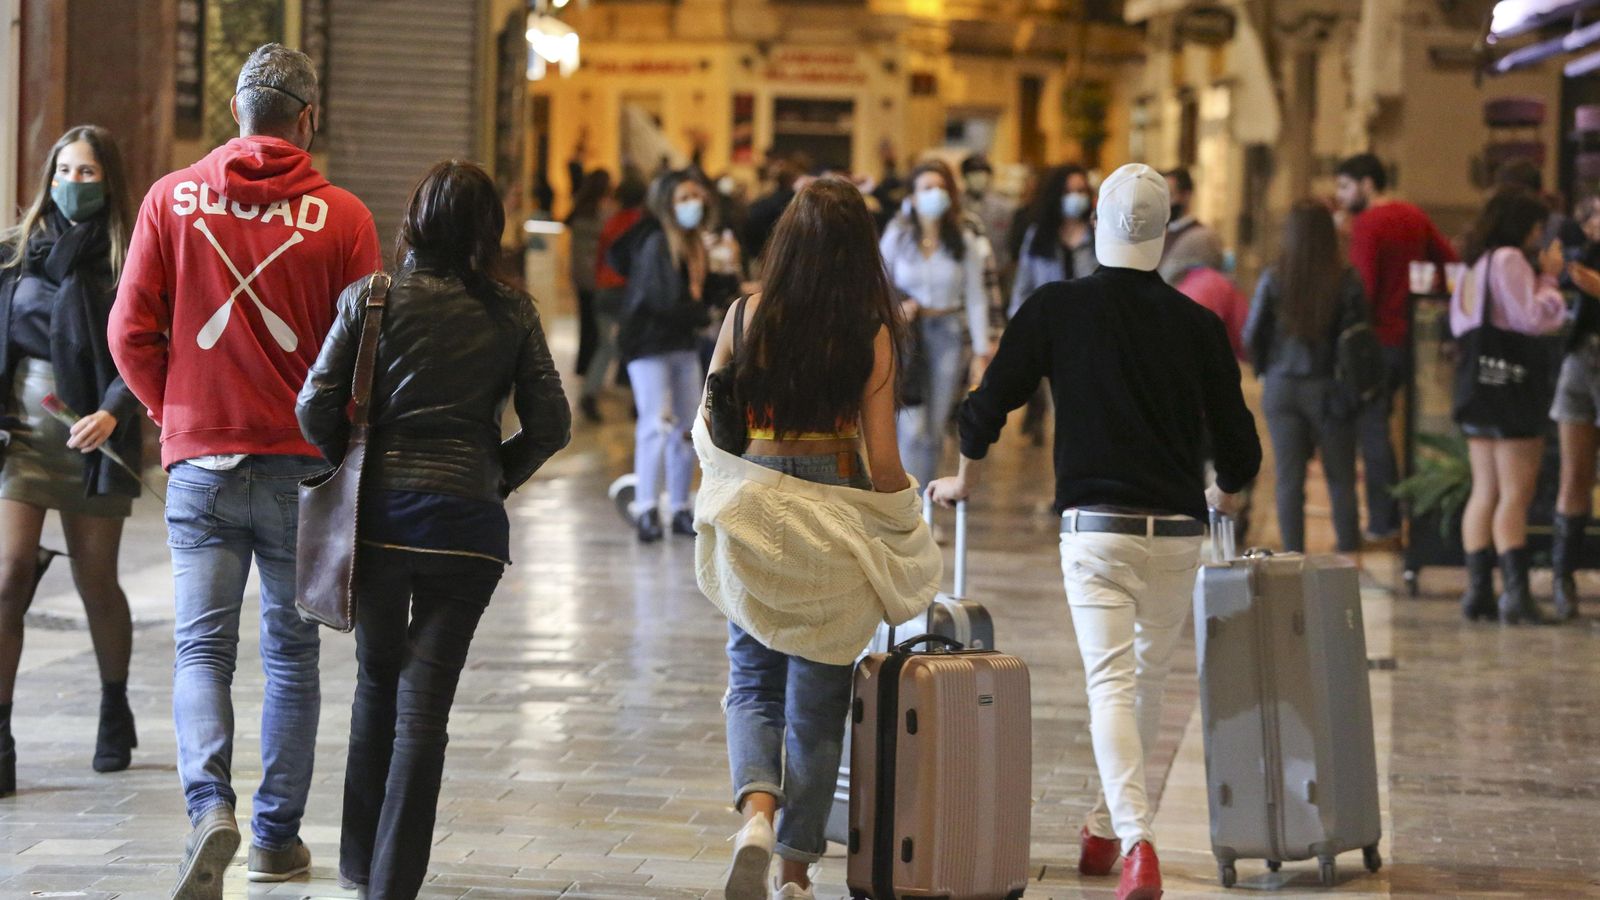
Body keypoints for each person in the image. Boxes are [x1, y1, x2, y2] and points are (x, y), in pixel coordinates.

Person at [928, 163, 1261, 900]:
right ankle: (1106, 828)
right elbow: (1240, 448)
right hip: (1176, 534)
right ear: (1166, 230)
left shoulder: (1056, 308)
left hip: (1093, 531)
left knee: (1111, 683)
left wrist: (965, 482)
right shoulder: (1199, 325)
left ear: (1102, 225)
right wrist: (1224, 493)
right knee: (1144, 680)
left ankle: (1138, 844)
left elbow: (986, 407)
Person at [109, 44, 382, 897]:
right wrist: (337, 432)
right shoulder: (343, 218)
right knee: (292, 658)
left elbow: (129, 334)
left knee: (201, 650)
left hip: (203, 465)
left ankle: (208, 810)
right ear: (306, 119)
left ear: (236, 111)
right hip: (301, 471)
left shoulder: (169, 199)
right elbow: (364, 361)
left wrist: (172, 408)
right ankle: (274, 841)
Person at [297, 160, 570, 900]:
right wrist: (493, 476)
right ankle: (392, 885)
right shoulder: (513, 311)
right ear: (489, 230)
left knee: (376, 680)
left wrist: (352, 464)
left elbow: (312, 406)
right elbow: (553, 424)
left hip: (379, 522)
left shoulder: (370, 299)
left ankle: (358, 862)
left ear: (415, 219)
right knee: (426, 707)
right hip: (468, 532)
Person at [694, 178, 936, 900]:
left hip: (754, 511)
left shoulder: (745, 316)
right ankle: (797, 870)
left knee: (752, 685)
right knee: (818, 701)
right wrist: (907, 522)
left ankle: (757, 819)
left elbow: (709, 427)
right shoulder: (870, 333)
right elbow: (885, 462)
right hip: (833, 517)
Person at [0, 125, 142, 796]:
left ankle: (115, 709)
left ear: (108, 180)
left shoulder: (128, 257)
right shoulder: (16, 252)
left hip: (96, 434)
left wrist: (114, 409)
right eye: (64, 171)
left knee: (97, 583)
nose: (73, 184)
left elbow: (145, 346)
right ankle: (0, 734)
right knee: (8, 574)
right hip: (21, 432)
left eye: (87, 174)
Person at [1451, 189, 1569, 625]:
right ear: (1521, 226)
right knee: (1515, 494)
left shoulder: (1473, 263)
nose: (1540, 238)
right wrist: (1551, 279)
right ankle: (1515, 596)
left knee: (1484, 491)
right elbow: (1532, 318)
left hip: (1477, 388)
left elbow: (1458, 321)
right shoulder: (1509, 260)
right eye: (1537, 229)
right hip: (1513, 390)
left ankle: (1478, 591)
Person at [1335, 152, 1458, 541]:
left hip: (1378, 342)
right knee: (1412, 430)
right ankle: (1419, 516)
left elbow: (1364, 287)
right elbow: (1451, 262)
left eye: (1344, 185)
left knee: (1374, 430)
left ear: (1367, 184)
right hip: (1417, 340)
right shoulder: (1415, 216)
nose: (1340, 196)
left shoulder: (1368, 224)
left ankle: (1383, 523)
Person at [616, 170, 738, 542]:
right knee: (656, 424)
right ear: (668, 203)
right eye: (685, 197)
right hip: (650, 344)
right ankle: (648, 508)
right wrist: (704, 313)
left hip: (681, 343)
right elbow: (664, 300)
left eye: (698, 197)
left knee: (687, 426)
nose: (694, 204)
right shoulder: (656, 242)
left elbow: (700, 292)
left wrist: (728, 281)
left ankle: (681, 508)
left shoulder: (694, 244)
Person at [1242, 201, 1371, 553]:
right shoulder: (1346, 279)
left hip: (1282, 388)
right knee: (1341, 478)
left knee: (1288, 480)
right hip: (1330, 388)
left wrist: (1266, 369)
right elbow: (1358, 338)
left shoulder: (1274, 277)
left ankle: (1292, 556)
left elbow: (1252, 334)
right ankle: (1347, 553)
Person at [880, 159, 990, 490]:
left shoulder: (963, 241)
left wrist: (982, 352)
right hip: (906, 337)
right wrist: (897, 307)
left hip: (947, 336)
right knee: (910, 425)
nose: (936, 194)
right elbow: (877, 282)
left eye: (942, 188)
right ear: (912, 196)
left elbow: (976, 296)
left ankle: (925, 503)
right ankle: (905, 502)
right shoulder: (898, 236)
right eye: (927, 188)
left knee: (934, 428)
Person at [1549, 197, 1600, 621]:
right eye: (1593, 214)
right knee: (1574, 477)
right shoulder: (1579, 257)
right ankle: (1562, 580)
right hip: (1579, 365)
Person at [581, 172, 648, 421]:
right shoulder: (640, 225)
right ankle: (636, 402)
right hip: (629, 292)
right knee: (633, 346)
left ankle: (589, 393)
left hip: (604, 291)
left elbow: (600, 259)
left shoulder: (610, 222)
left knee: (606, 347)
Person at [1009, 164, 1096, 316]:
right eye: (1067, 192)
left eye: (1080, 191)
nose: (1075, 197)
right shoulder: (1038, 235)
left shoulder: (1098, 235)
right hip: (1047, 328)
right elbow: (1023, 288)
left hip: (1091, 326)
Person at [567, 168, 612, 398]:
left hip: (579, 274)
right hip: (595, 276)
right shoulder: (601, 213)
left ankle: (583, 365)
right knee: (596, 328)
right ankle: (590, 372)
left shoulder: (579, 210)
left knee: (585, 323)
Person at [1157, 167, 1224, 285]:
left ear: (1186, 196)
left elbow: (1207, 285)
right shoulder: (1161, 232)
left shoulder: (1203, 238)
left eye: (1170, 195)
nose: (1164, 203)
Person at [961, 154, 1018, 280]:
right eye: (973, 173)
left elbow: (1011, 242)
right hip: (964, 272)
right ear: (965, 176)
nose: (978, 178)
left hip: (999, 272)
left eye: (982, 173)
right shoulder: (957, 206)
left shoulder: (1005, 207)